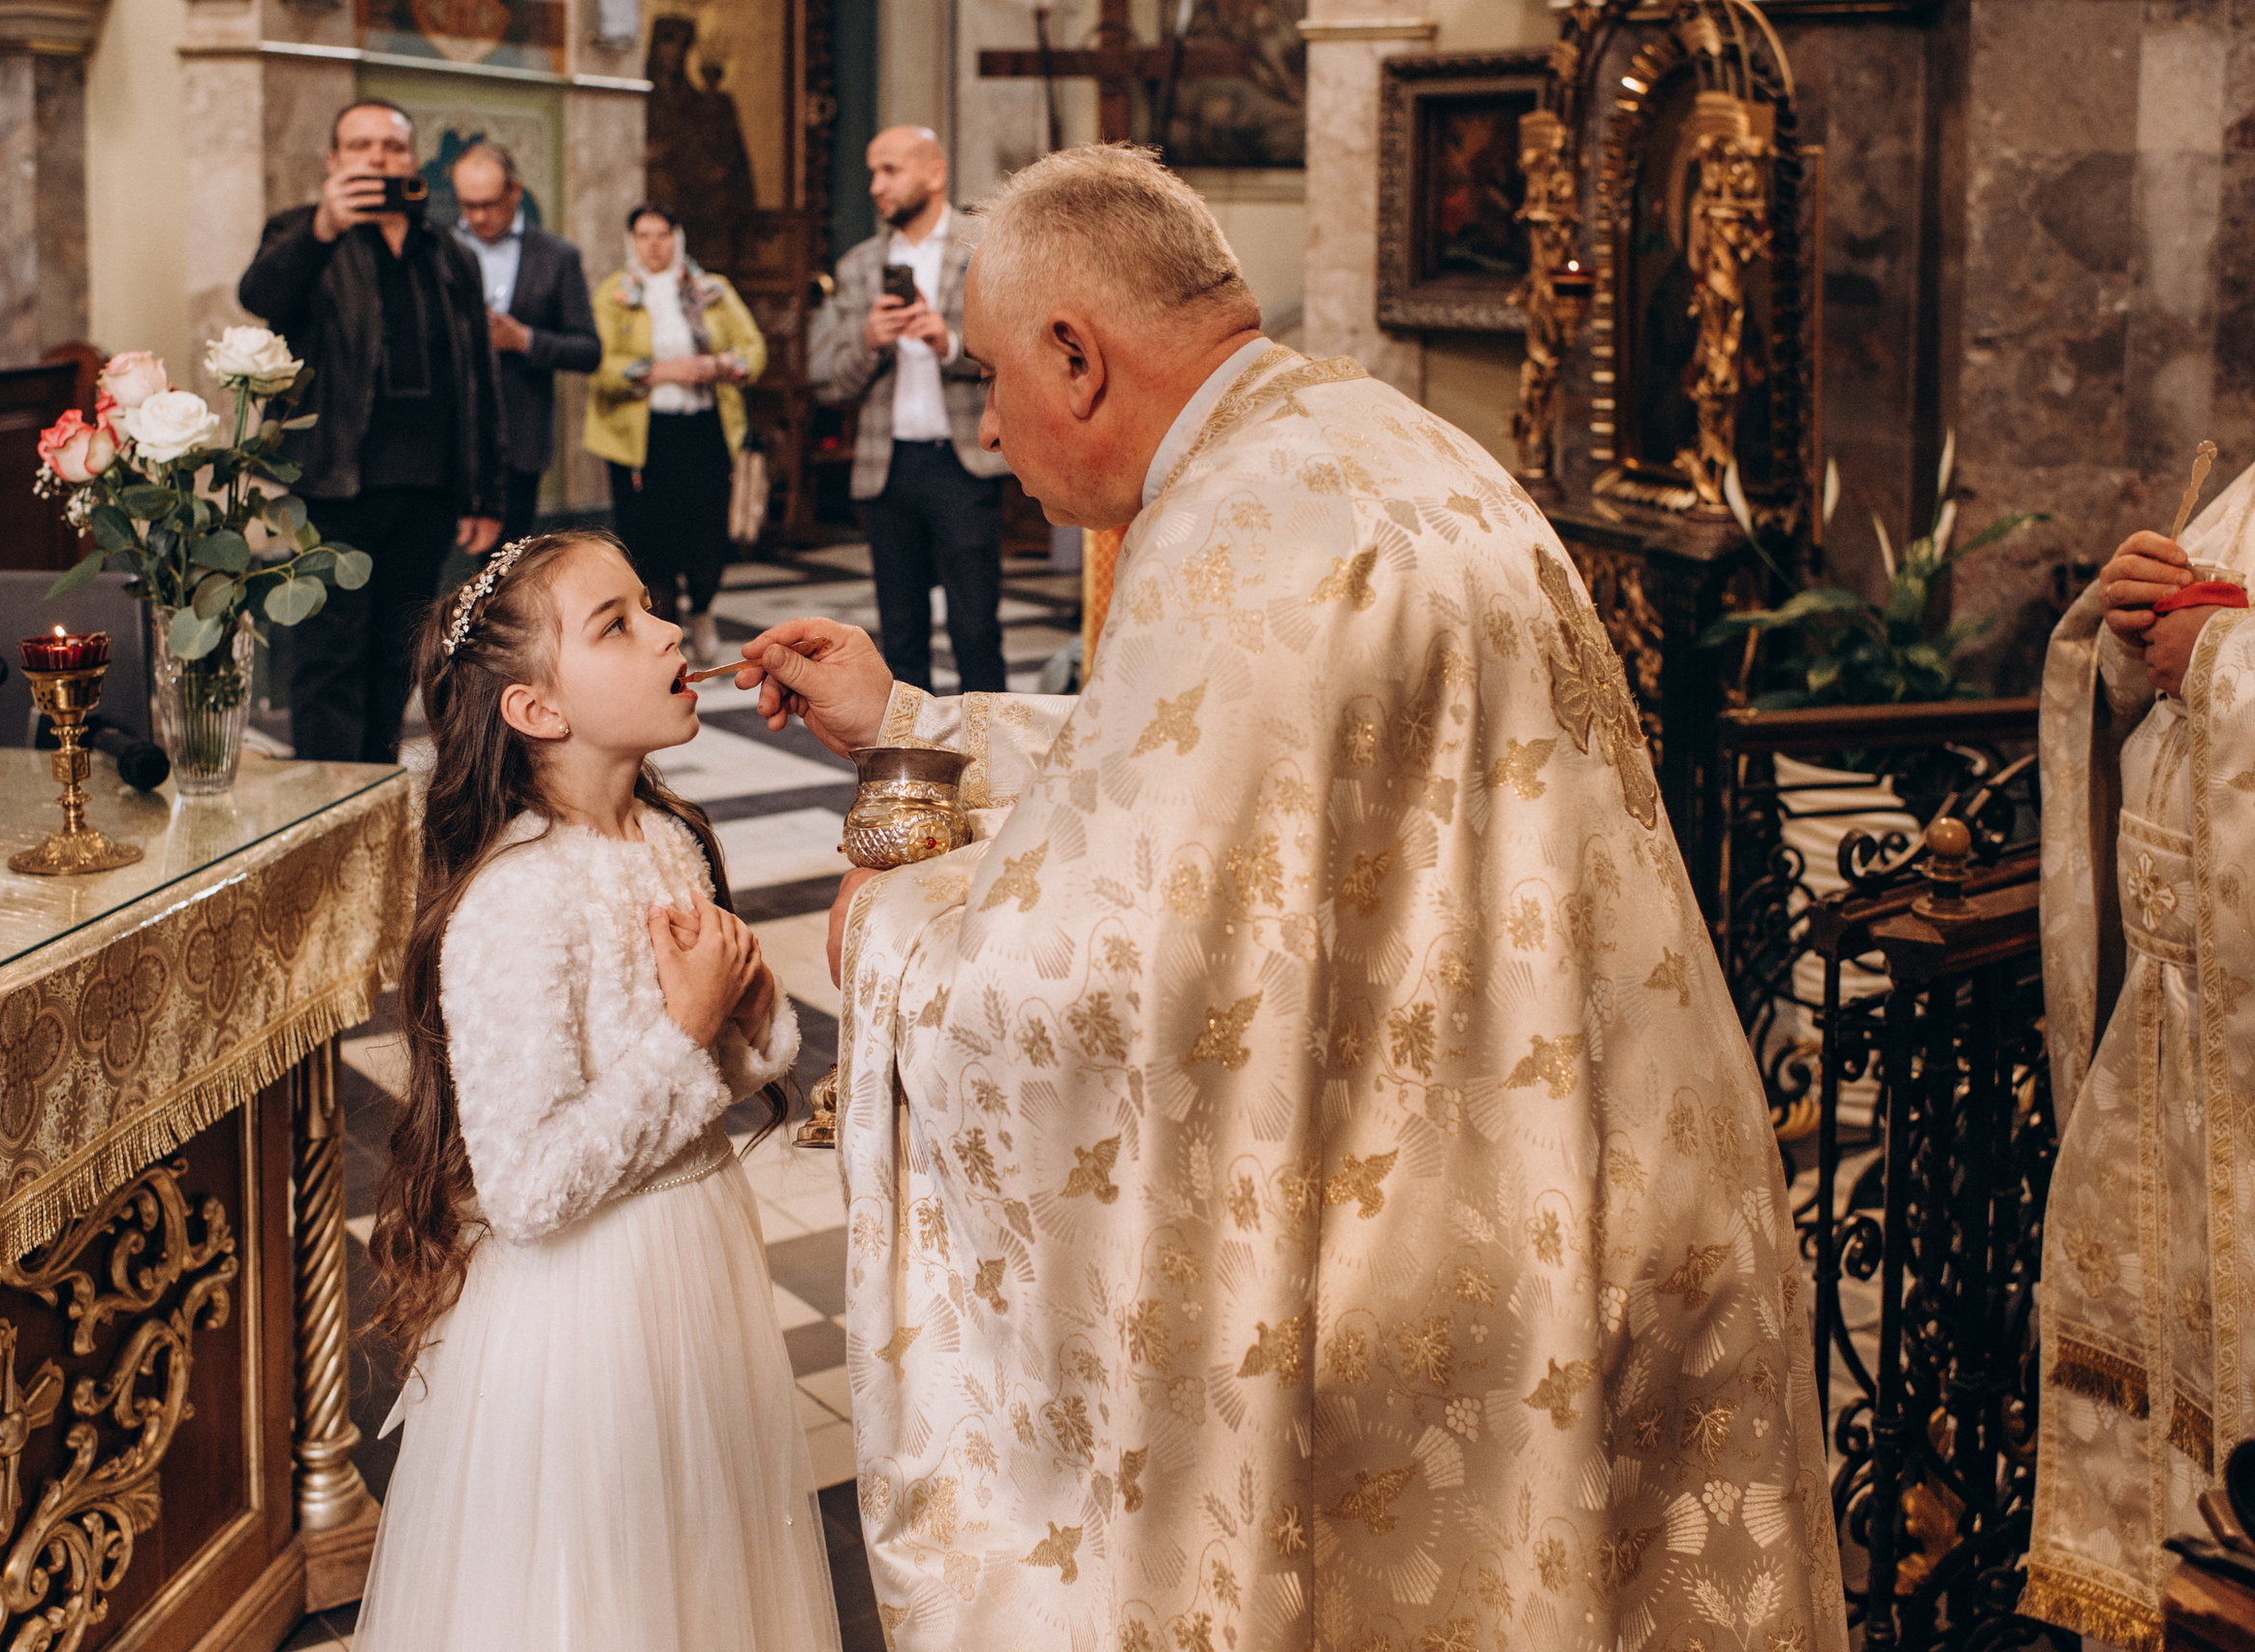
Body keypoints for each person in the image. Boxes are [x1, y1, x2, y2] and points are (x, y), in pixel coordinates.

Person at [737, 144, 1843, 1651]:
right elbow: (1205, 774)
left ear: (1079, 354)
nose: (990, 432)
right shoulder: (1371, 441)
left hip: (1422, 1282)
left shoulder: (1237, 543)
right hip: (1566, 1184)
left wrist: (894, 936)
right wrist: (916, 725)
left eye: (994, 379)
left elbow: (1118, 977)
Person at [354, 529, 840, 1652]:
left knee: (700, 1562)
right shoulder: (515, 902)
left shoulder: (669, 838)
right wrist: (687, 1030)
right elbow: (526, 1189)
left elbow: (731, 1064)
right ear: (536, 710)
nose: (670, 631)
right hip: (589, 1305)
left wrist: (753, 1020)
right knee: (601, 1583)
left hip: (696, 1252)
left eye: (652, 605)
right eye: (617, 623)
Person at [2027, 475, 2255, 1648]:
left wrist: (2218, 657)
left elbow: (2223, 659)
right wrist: (2123, 634)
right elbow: (2140, 691)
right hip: (2170, 1040)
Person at [238, 98, 504, 764]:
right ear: (334, 161)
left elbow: (476, 377)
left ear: (413, 162)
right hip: (333, 484)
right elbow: (261, 297)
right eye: (361, 146)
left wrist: (484, 491)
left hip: (429, 490)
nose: (378, 159)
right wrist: (323, 226)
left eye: (391, 147)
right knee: (328, 658)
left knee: (399, 656)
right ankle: (327, 806)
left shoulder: (449, 253)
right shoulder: (303, 234)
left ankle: (374, 785)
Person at [809, 125, 1009, 694]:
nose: (876, 185)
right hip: (886, 468)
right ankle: (910, 769)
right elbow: (825, 380)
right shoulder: (858, 266)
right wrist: (869, 341)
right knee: (900, 636)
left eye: (891, 170)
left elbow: (1021, 350)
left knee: (975, 628)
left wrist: (947, 340)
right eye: (873, 172)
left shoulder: (986, 248)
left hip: (963, 465)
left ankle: (992, 766)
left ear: (935, 173)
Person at [587, 203, 766, 667]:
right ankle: (665, 631)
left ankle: (703, 611)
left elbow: (753, 350)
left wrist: (720, 365)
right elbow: (597, 366)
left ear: (678, 237)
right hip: (642, 442)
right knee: (650, 543)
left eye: (662, 234)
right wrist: (661, 371)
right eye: (643, 235)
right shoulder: (614, 295)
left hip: (705, 431)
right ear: (631, 241)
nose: (653, 245)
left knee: (708, 536)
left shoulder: (712, 290)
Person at [449, 142, 602, 550]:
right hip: (447, 436)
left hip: (519, 440)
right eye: (468, 205)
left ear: (515, 192)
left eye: (489, 204)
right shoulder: (440, 250)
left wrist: (524, 340)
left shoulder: (556, 256)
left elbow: (588, 350)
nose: (478, 216)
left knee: (506, 571)